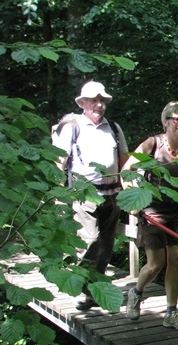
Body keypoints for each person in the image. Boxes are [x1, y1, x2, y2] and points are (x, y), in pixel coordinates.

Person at [122, 101, 178, 331]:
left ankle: (171, 313)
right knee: (156, 264)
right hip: (154, 208)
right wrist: (134, 200)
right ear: (166, 122)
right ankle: (136, 292)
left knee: (176, 260)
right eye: (176, 118)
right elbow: (127, 170)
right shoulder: (151, 144)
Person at [53, 81, 128, 310]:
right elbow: (60, 160)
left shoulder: (114, 128)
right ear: (82, 103)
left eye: (102, 101)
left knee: (106, 242)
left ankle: (96, 287)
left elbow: (124, 159)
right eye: (94, 101)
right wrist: (58, 191)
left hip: (112, 193)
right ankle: (81, 288)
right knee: (90, 239)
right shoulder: (73, 127)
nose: (99, 105)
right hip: (84, 194)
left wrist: (130, 185)